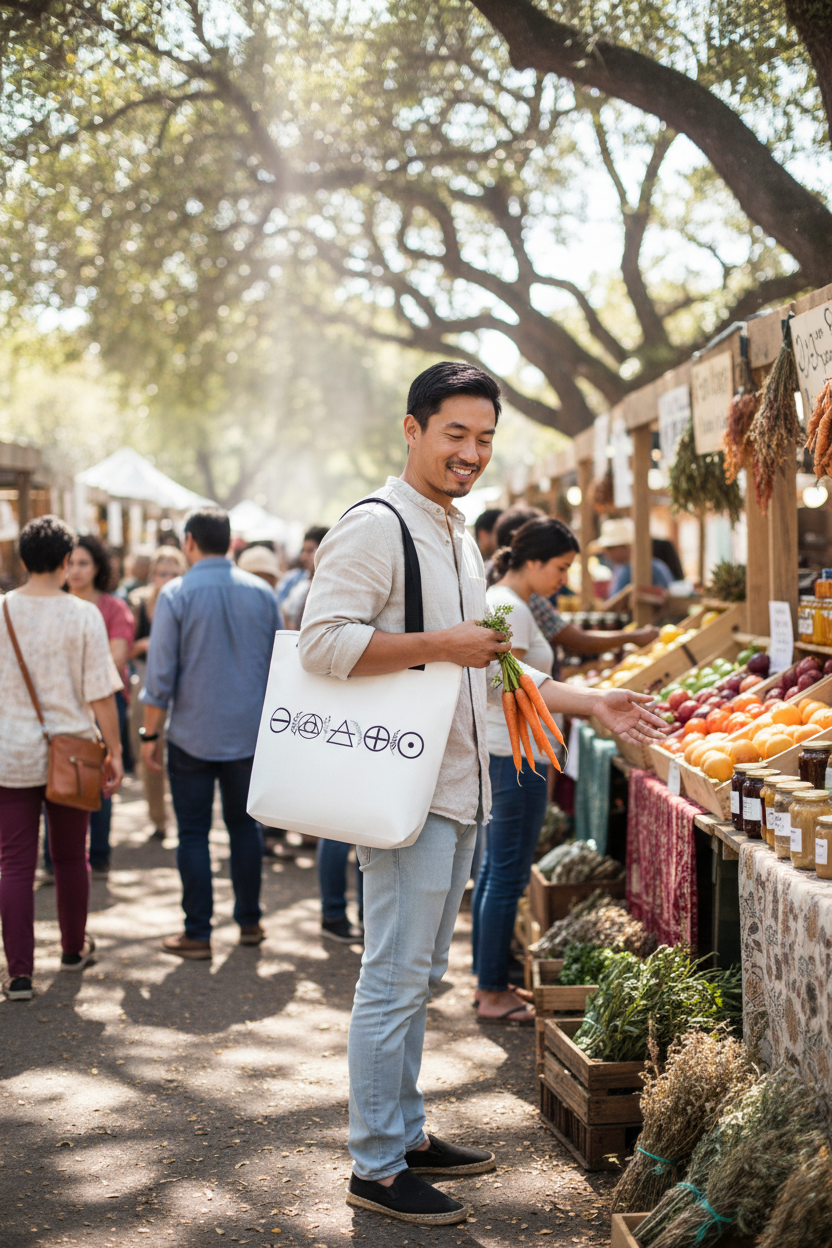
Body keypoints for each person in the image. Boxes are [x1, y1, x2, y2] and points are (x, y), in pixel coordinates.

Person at [299, 360, 663, 1225]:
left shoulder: (456, 534)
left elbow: (493, 664)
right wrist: (440, 643)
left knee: (420, 973)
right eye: (455, 434)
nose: (471, 453)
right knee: (392, 978)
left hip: (460, 789)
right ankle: (376, 1165)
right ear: (413, 430)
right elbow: (320, 644)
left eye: (485, 439)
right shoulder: (376, 525)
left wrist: (590, 702)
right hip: (407, 790)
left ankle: (404, 1131)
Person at [140, 507, 280, 959]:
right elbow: (279, 666)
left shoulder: (175, 594)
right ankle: (250, 922)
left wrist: (149, 735)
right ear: (230, 543)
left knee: (194, 833)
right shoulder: (262, 593)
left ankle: (198, 933)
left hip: (191, 736)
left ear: (190, 542)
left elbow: (160, 675)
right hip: (249, 734)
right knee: (245, 829)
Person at [0, 516, 123, 1000]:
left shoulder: (2, 611)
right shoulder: (82, 615)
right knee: (72, 856)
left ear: (23, 558)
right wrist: (112, 750)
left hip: (9, 753)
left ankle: (19, 974)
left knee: (13, 864)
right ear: (68, 560)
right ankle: (73, 950)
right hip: (72, 752)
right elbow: (101, 694)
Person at [472, 517, 577, 1024]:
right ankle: (492, 991)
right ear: (532, 561)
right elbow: (502, 684)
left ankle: (490, 981)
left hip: (513, 754)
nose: (563, 578)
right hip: (516, 757)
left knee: (498, 871)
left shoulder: (507, 602)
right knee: (506, 875)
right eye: (560, 567)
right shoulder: (509, 605)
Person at [66, 534, 136, 875]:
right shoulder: (57, 603)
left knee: (103, 777)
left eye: (83, 563)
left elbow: (118, 657)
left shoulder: (112, 607)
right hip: (65, 705)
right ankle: (57, 858)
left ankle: (100, 853)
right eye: (70, 563)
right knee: (60, 778)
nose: (75, 570)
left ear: (97, 567)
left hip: (107, 702)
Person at [129, 545, 189, 841]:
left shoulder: (187, 600)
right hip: (145, 683)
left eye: (174, 573)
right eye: (162, 573)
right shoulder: (138, 603)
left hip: (182, 687)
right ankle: (158, 819)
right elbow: (126, 646)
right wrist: (150, 644)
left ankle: (181, 816)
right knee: (148, 752)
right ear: (153, 576)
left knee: (179, 756)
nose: (167, 578)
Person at [589, 518, 674, 596]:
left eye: (611, 548)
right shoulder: (621, 568)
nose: (607, 553)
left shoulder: (643, 569)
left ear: (626, 546)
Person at [281, 526, 329, 629]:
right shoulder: (295, 580)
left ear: (325, 550)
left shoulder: (329, 587)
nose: (303, 557)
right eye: (303, 551)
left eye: (310, 551)